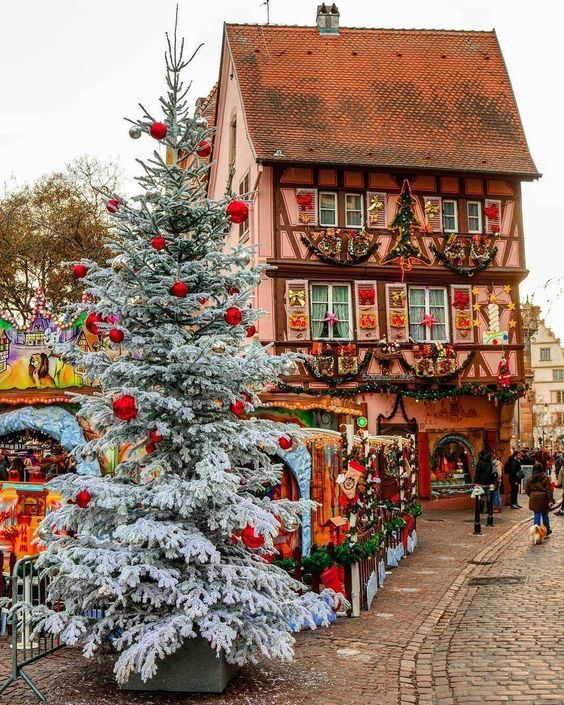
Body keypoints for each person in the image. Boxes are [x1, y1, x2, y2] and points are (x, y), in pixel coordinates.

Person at [525, 462, 554, 536]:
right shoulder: (546, 477)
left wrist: (531, 495)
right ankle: (547, 530)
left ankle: (536, 532)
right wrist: (551, 500)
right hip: (544, 499)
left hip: (534, 498)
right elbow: (548, 490)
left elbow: (527, 490)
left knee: (536, 514)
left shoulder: (530, 478)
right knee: (545, 515)